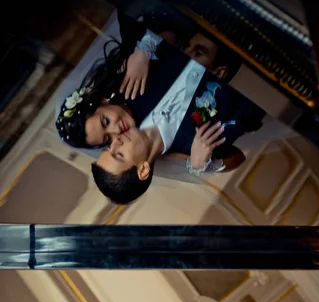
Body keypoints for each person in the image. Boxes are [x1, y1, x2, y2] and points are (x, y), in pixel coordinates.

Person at [56, 21, 264, 202]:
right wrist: (204, 166)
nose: (115, 141)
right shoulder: (194, 149)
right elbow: (236, 156)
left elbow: (162, 25)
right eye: (118, 154)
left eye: (107, 148)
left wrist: (144, 49)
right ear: (143, 170)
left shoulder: (131, 87)